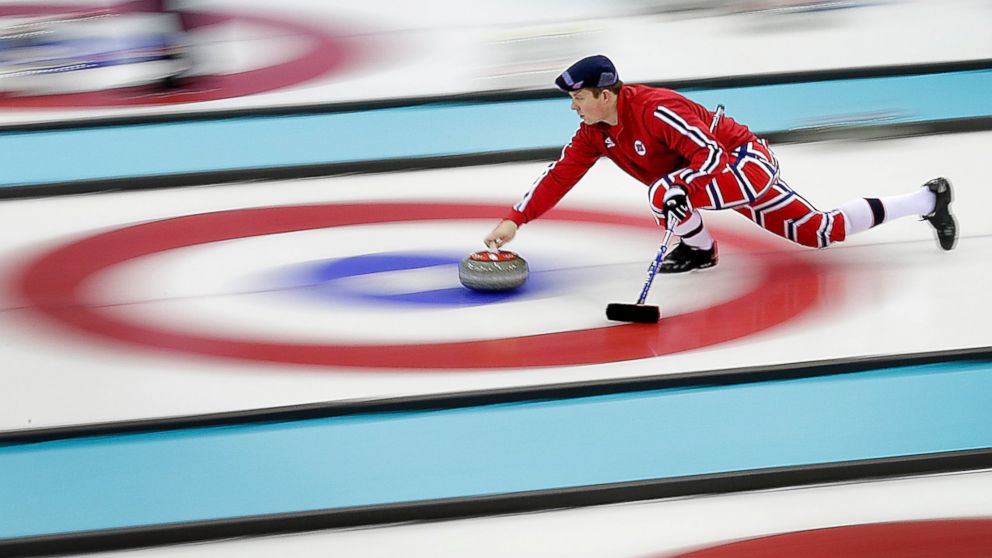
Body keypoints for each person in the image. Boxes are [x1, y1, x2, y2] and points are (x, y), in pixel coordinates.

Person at [483, 55, 957, 272]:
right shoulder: (595, 132)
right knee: (817, 231)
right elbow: (561, 172)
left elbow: (708, 154)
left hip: (740, 162)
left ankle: (700, 251)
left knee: (665, 192)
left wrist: (677, 187)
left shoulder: (655, 109)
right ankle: (929, 198)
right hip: (709, 177)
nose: (574, 107)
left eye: (579, 98)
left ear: (605, 94)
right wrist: (515, 218)